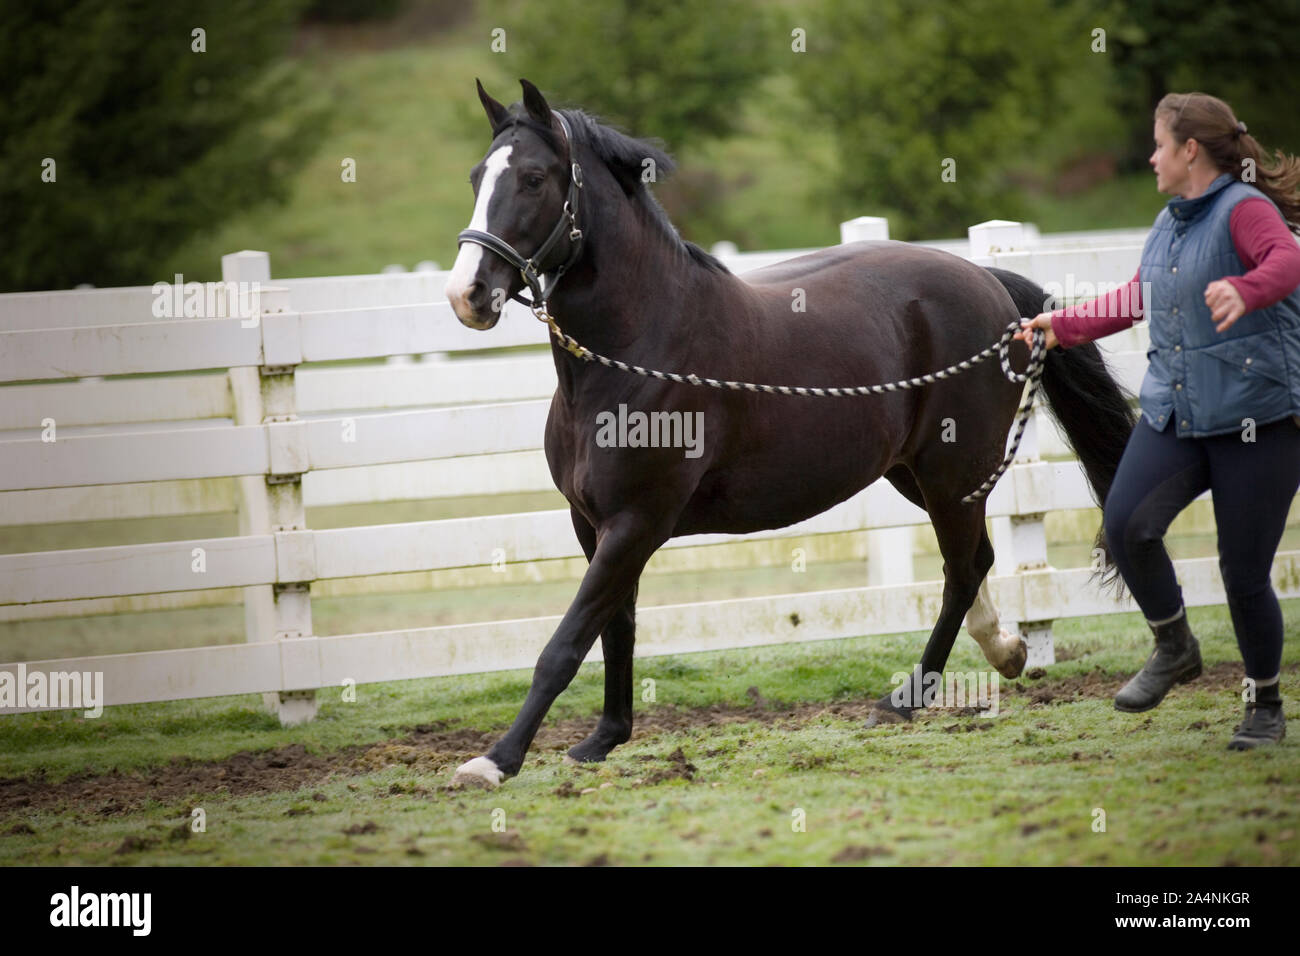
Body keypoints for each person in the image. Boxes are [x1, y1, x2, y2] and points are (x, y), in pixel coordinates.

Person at [1016, 92, 1300, 749]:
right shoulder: (1170, 223)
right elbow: (1137, 297)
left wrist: (1245, 288)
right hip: (1178, 410)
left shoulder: (1245, 209)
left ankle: (1264, 705)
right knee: (1126, 526)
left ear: (1189, 150)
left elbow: (1286, 261)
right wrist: (1060, 325)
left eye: (1159, 144)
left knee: (1244, 573)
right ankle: (1174, 645)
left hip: (1256, 418)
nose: (1150, 157)